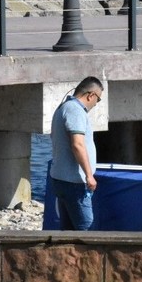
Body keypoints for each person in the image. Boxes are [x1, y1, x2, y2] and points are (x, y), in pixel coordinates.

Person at [49, 76, 104, 231]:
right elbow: (78, 145)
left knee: (68, 232)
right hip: (75, 182)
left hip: (61, 179)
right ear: (91, 95)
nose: (96, 104)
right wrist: (89, 175)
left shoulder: (63, 107)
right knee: (86, 231)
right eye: (98, 100)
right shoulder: (75, 110)